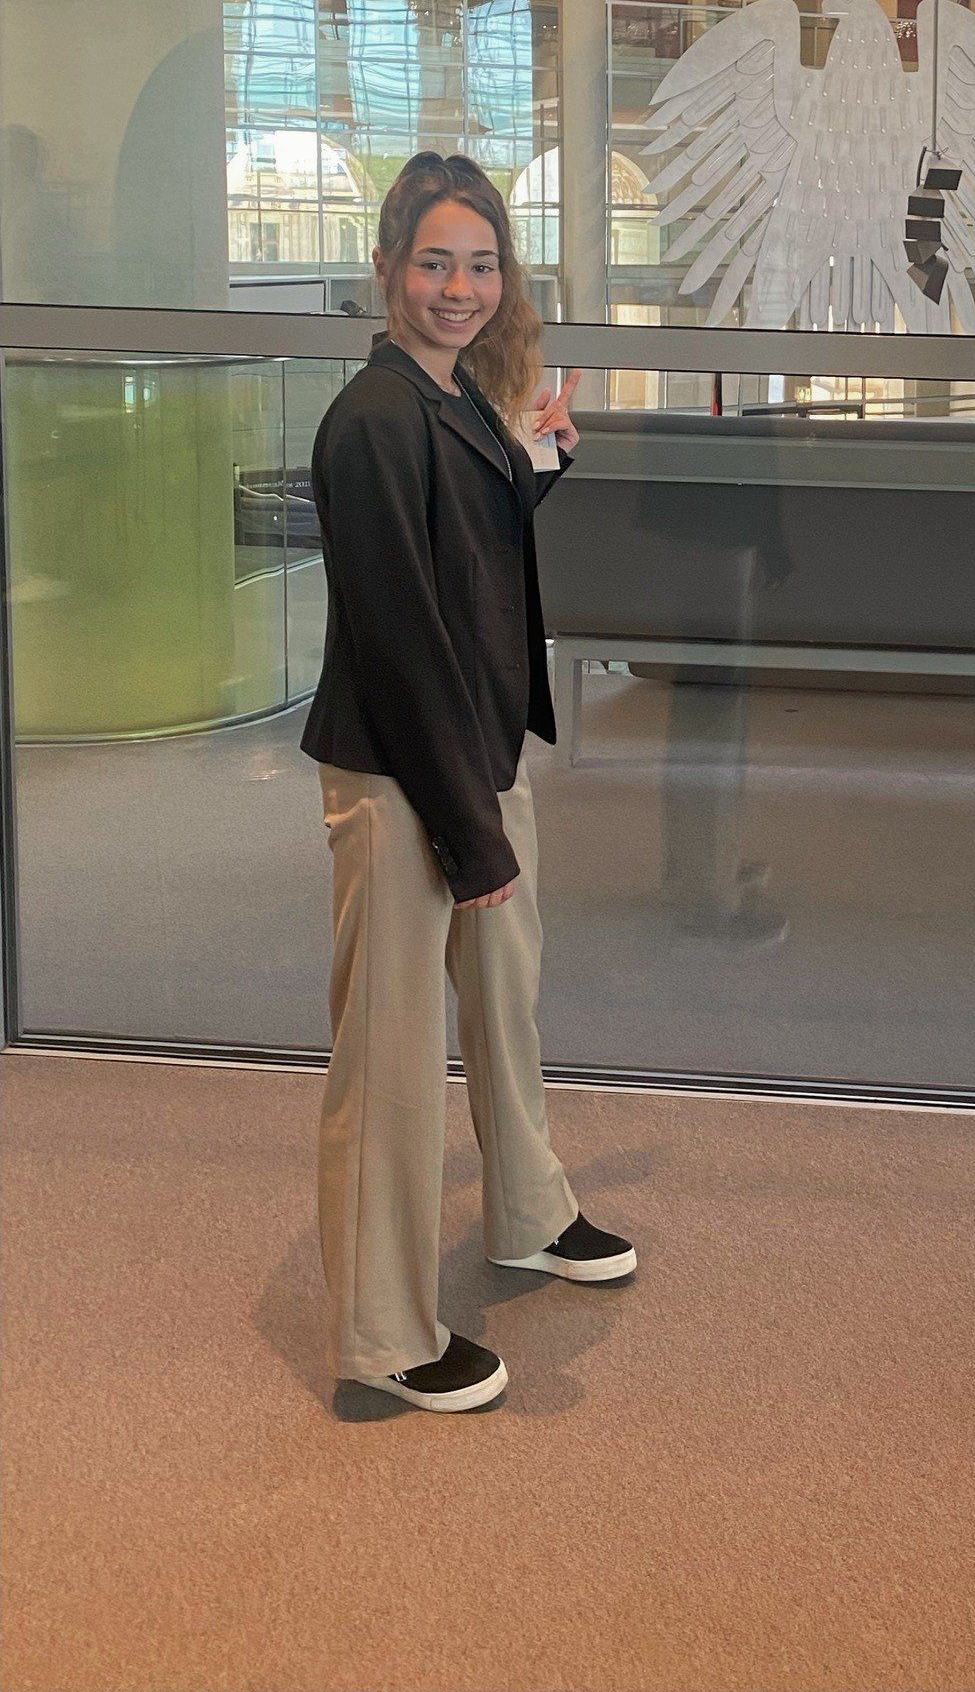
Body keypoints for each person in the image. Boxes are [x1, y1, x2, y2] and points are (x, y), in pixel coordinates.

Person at [302, 151, 635, 1414]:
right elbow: (399, 641)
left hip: (475, 756)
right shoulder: (374, 420)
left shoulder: (453, 398)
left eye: (481, 264)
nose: (460, 287)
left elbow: (467, 560)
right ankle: (382, 1334)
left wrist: (534, 462)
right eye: (435, 262)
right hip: (406, 775)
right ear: (387, 267)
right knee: (390, 1065)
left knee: (505, 1007)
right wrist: (469, 833)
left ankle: (527, 1212)